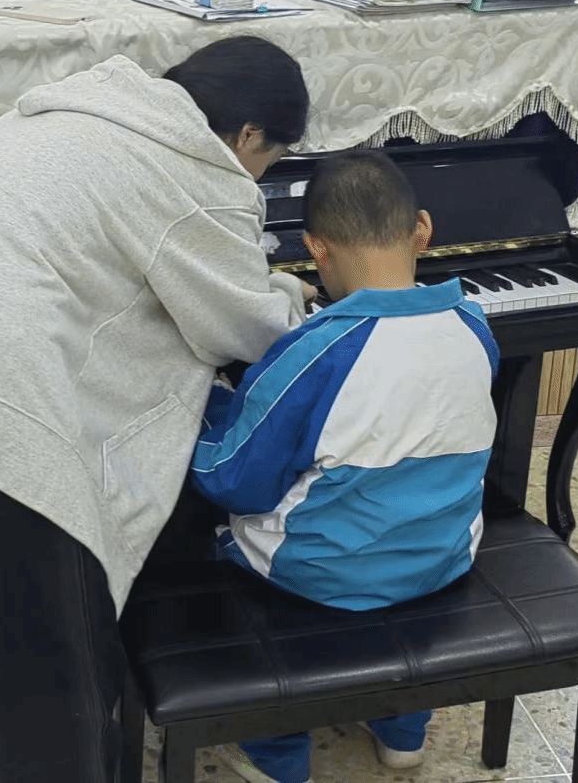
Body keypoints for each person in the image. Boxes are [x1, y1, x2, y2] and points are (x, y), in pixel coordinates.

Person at [0, 36, 318, 783]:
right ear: (249, 135)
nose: (261, 176)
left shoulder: (75, 111)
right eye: (272, 159)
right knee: (50, 677)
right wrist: (288, 292)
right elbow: (244, 327)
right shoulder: (194, 165)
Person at [189, 149, 499, 783]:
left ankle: (276, 748)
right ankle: (402, 728)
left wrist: (203, 410)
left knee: (217, 532)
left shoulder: (317, 350)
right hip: (444, 556)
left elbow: (234, 481)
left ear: (315, 248)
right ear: (421, 229)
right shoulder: (474, 324)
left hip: (320, 575)